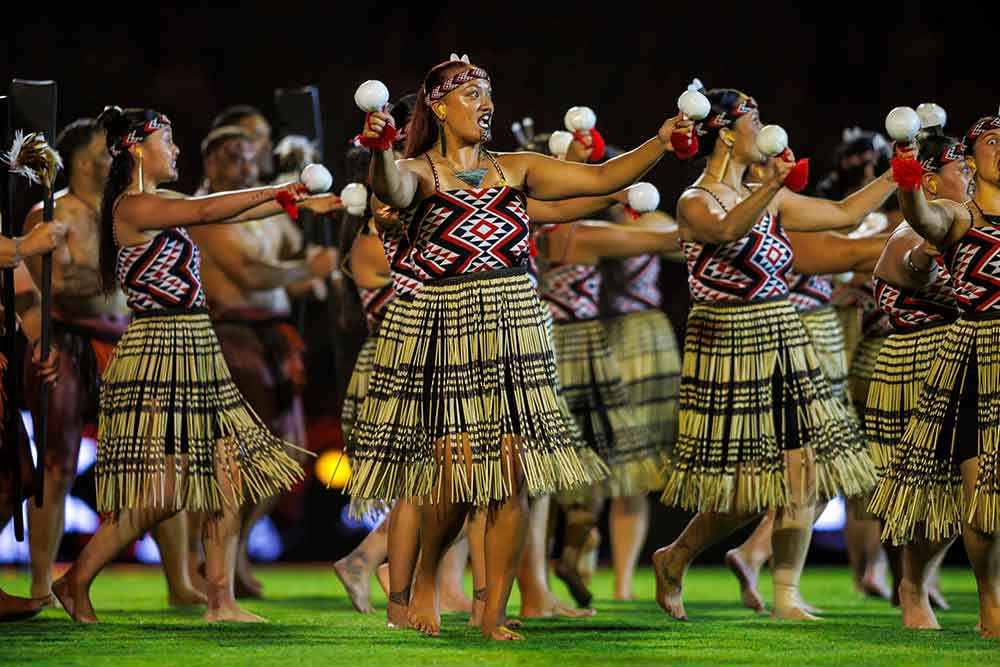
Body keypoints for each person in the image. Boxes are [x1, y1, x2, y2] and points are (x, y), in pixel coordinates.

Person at [347, 56, 690, 640]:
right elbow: (393, 186)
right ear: (439, 105)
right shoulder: (418, 171)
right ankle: (424, 580)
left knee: (512, 475)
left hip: (516, 329)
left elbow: (604, 178)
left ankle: (492, 613)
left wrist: (660, 141)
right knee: (455, 478)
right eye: (473, 93)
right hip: (449, 332)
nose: (487, 103)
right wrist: (379, 149)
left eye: (489, 93)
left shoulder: (517, 169)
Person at [50, 105, 335, 623]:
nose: (177, 149)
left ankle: (220, 601)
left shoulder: (163, 201)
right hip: (161, 350)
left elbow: (228, 211)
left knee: (224, 474)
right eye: (169, 139)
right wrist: (276, 192)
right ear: (137, 146)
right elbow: (208, 212)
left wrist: (293, 202)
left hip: (196, 345)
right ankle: (75, 578)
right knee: (161, 493)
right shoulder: (133, 208)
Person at [653, 85, 896, 622]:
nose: (762, 125)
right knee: (744, 490)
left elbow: (843, 213)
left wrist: (897, 174)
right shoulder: (696, 199)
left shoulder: (772, 196)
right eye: (752, 116)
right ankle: (676, 557)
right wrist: (773, 188)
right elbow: (725, 229)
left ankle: (786, 591)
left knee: (804, 467)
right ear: (722, 129)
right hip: (729, 345)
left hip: (783, 335)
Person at [21, 118, 202, 607]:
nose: (123, 156)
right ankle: (42, 582)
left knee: (161, 462)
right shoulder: (50, 213)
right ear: (85, 163)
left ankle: (180, 581)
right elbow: (28, 293)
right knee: (56, 466)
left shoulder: (127, 209)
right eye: (111, 151)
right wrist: (42, 342)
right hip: (69, 344)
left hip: (127, 342)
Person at [189, 125, 337, 598]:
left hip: (275, 339)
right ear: (209, 161)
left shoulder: (267, 209)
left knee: (288, 457)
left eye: (251, 157)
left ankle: (235, 553)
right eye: (232, 157)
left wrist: (318, 228)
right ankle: (215, 558)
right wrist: (307, 268)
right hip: (232, 336)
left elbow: (292, 266)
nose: (244, 166)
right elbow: (250, 274)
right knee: (240, 459)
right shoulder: (205, 211)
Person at [869, 113, 1000, 638]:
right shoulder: (959, 214)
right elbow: (924, 218)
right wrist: (905, 183)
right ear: (971, 161)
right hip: (980, 361)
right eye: (995, 141)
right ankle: (989, 603)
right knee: (983, 497)